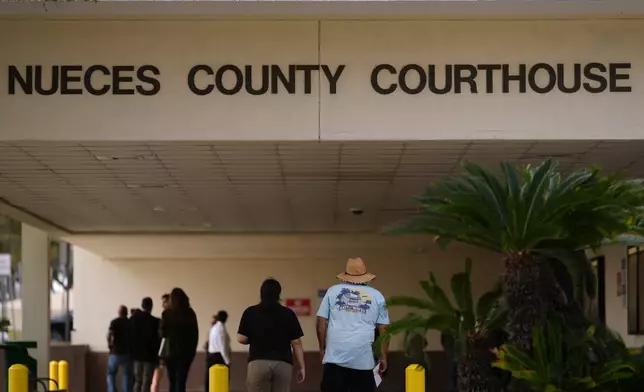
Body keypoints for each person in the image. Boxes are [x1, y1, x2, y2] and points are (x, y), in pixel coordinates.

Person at [317, 257, 390, 392]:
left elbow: (321, 322)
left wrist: (322, 348)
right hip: (363, 362)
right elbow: (384, 328)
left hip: (334, 359)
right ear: (365, 276)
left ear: (345, 274)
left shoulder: (333, 291)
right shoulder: (377, 296)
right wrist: (383, 356)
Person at [237, 278, 305, 392]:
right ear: (279, 294)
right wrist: (302, 367)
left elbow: (241, 338)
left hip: (258, 363)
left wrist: (254, 339)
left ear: (261, 293)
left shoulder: (250, 312)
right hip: (283, 364)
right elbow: (296, 342)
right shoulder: (288, 314)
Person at [161, 288, 199, 392]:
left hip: (170, 353)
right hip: (185, 354)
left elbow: (162, 333)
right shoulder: (190, 314)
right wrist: (192, 352)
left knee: (172, 381)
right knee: (181, 381)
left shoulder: (167, 314)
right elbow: (195, 335)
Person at [131, 297, 161, 392]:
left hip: (136, 355)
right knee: (146, 381)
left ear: (142, 305)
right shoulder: (155, 321)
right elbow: (159, 339)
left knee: (137, 380)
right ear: (151, 306)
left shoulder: (134, 319)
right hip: (150, 355)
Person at [107, 305, 133, 392]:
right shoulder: (130, 323)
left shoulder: (114, 322)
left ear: (119, 312)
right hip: (127, 353)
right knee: (127, 375)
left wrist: (110, 346)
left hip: (115, 352)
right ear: (127, 313)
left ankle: (112, 390)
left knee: (111, 373)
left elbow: (109, 335)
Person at [204, 310, 231, 392]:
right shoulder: (221, 328)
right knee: (220, 378)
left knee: (209, 378)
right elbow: (222, 346)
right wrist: (227, 360)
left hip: (211, 355)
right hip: (218, 356)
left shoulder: (214, 328)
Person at [151, 294, 170, 392]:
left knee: (156, 380)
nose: (162, 305)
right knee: (156, 380)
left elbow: (163, 336)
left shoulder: (166, 316)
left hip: (162, 353)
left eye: (164, 302)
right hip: (165, 353)